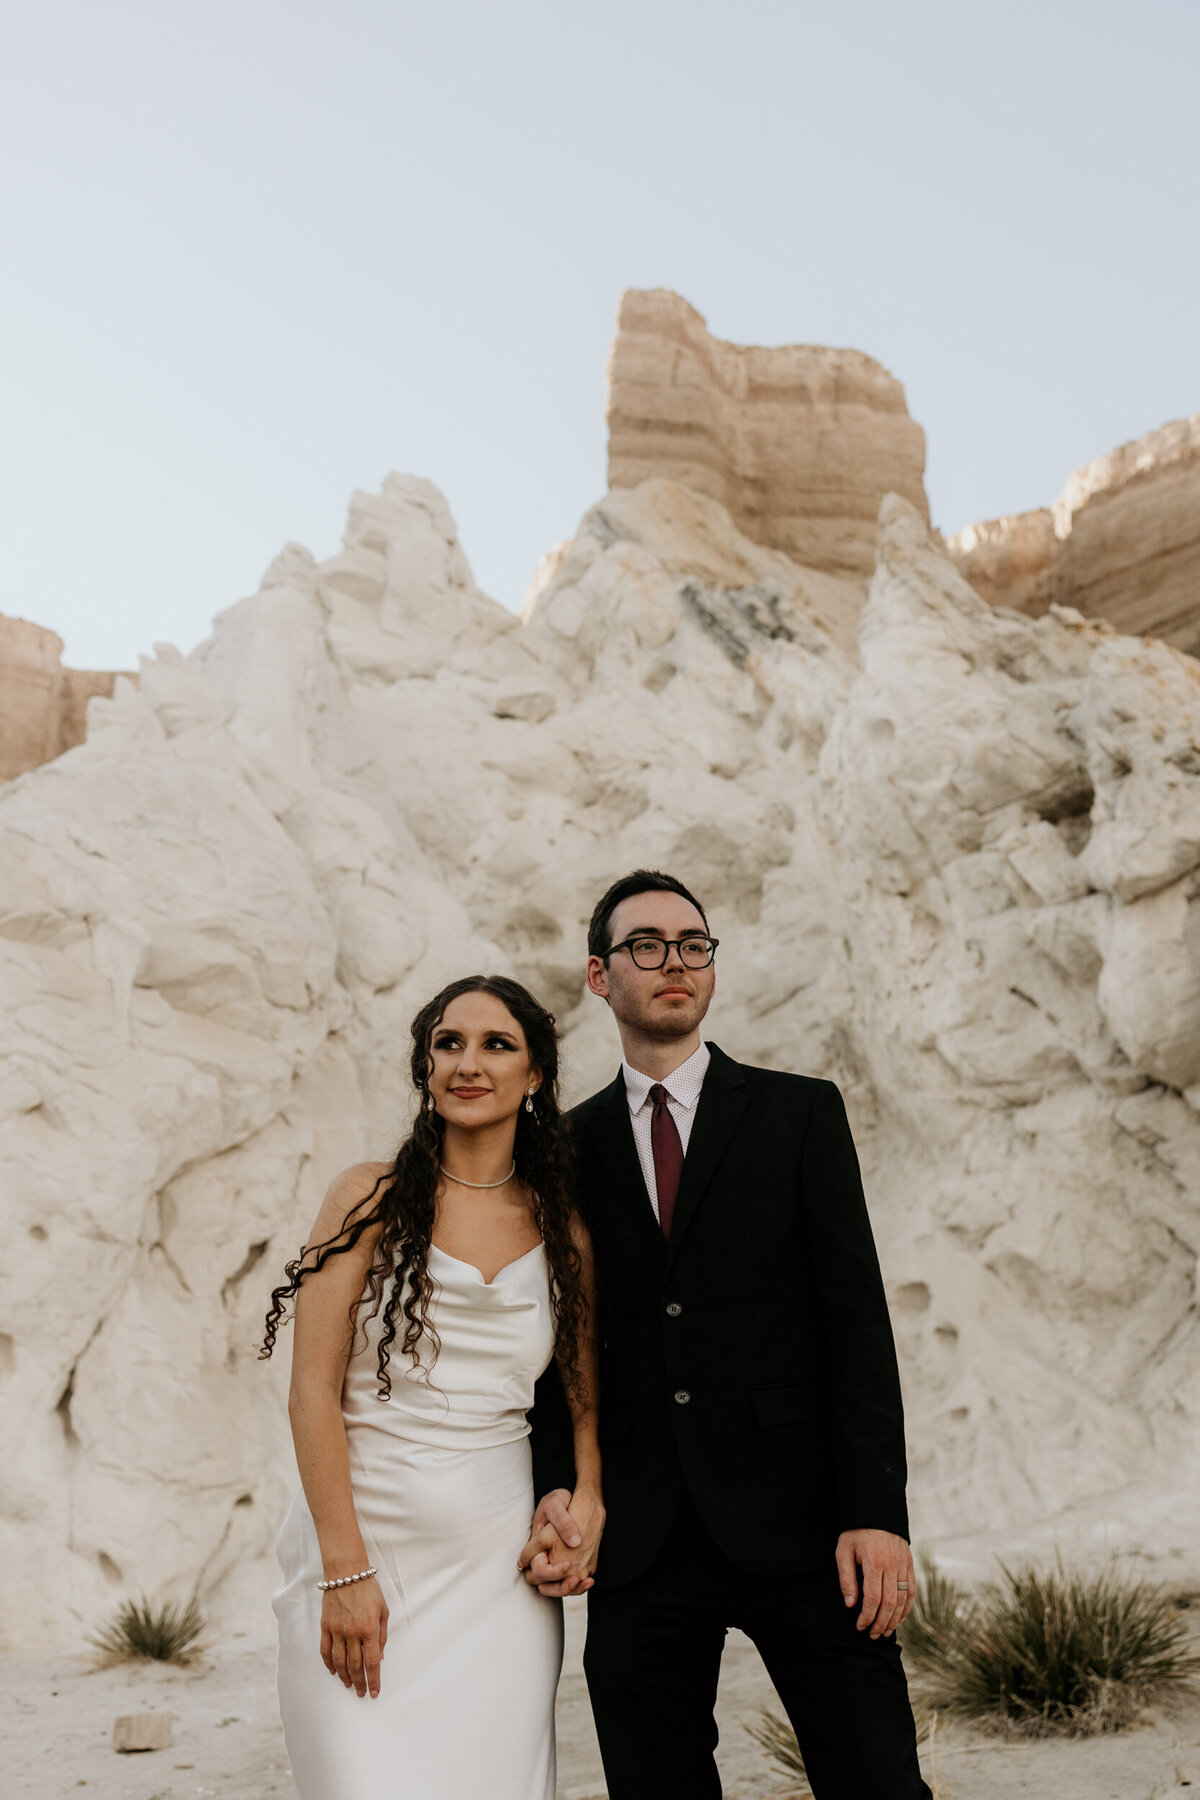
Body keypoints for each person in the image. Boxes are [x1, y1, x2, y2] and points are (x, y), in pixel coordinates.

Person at [520, 870, 931, 1800]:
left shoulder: (800, 1114)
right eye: (647, 946)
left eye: (693, 945)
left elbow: (856, 1323)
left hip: (805, 1523)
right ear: (598, 974)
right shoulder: (561, 1151)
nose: (676, 963)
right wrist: (558, 1485)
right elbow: (552, 1349)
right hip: (641, 1537)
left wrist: (876, 1512)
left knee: (876, 1780)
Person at [262, 974, 603, 1800]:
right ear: (424, 1068)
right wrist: (345, 1573)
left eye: (497, 1045)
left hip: (498, 1581)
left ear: (536, 1077)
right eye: (447, 1043)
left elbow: (582, 1396)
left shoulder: (563, 1227)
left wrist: (588, 1496)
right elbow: (312, 1392)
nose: (467, 1063)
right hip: (363, 1555)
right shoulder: (367, 1197)